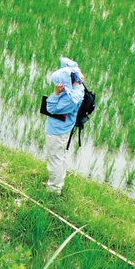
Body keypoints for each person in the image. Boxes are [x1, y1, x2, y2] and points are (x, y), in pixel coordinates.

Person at [43, 59, 85, 195]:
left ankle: (54, 189)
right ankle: (56, 183)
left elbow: (51, 108)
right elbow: (67, 62)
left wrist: (56, 93)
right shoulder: (77, 85)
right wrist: (76, 71)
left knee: (54, 160)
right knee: (59, 157)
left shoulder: (71, 99)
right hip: (63, 128)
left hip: (57, 131)